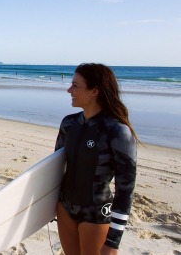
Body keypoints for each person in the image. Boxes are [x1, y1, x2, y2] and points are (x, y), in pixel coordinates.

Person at [55, 63, 138, 254]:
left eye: (75, 85)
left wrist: (113, 241)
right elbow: (55, 169)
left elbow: (126, 189)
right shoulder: (69, 123)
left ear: (94, 91)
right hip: (65, 209)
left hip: (96, 213)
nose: (69, 90)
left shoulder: (117, 131)